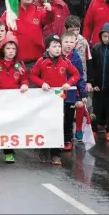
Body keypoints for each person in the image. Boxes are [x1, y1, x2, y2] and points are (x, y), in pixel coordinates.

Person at [30, 34, 80, 165]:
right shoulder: (41, 61)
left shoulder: (65, 61)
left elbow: (76, 74)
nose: (58, 48)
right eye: (54, 46)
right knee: (45, 123)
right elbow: (33, 75)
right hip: (45, 98)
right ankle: (43, 150)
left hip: (59, 97)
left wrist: (69, 83)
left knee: (59, 124)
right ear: (47, 49)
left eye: (59, 46)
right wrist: (42, 83)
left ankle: (56, 154)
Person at [0, 33, 29, 163]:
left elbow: (24, 77)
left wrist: (25, 84)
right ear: (3, 49)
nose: (11, 51)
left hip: (13, 101)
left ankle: (9, 151)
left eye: (13, 49)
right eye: (8, 48)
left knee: (10, 126)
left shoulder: (19, 64)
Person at [1, 0, 54, 71]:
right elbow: (0, 29)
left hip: (36, 61)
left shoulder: (39, 11)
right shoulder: (11, 12)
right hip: (16, 62)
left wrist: (50, 11)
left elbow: (48, 19)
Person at [88, 23, 109, 141]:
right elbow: (92, 67)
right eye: (105, 36)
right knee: (96, 109)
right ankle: (93, 129)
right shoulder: (96, 48)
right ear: (101, 35)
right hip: (98, 86)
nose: (107, 39)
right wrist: (92, 83)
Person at [60, 31, 88, 146]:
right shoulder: (56, 55)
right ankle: (57, 138)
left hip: (71, 92)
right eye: (66, 41)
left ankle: (68, 139)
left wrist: (83, 95)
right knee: (58, 114)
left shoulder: (76, 58)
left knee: (69, 115)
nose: (68, 44)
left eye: (71, 42)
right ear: (61, 43)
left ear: (75, 43)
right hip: (58, 92)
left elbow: (80, 76)